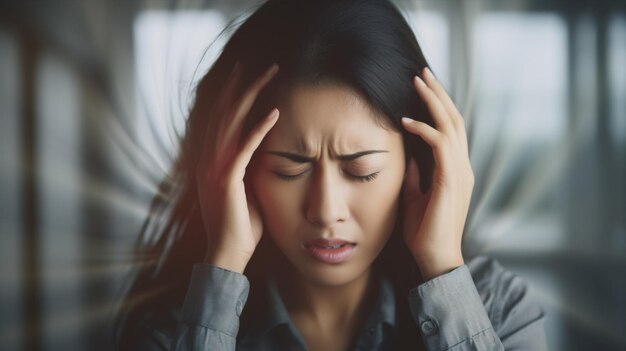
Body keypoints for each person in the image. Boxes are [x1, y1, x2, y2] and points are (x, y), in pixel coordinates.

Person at [114, 0, 548, 350]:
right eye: (289, 169)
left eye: (361, 171)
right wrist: (222, 267)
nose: (325, 211)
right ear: (238, 174)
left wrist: (441, 270)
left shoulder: (497, 311)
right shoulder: (168, 330)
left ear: (419, 163)